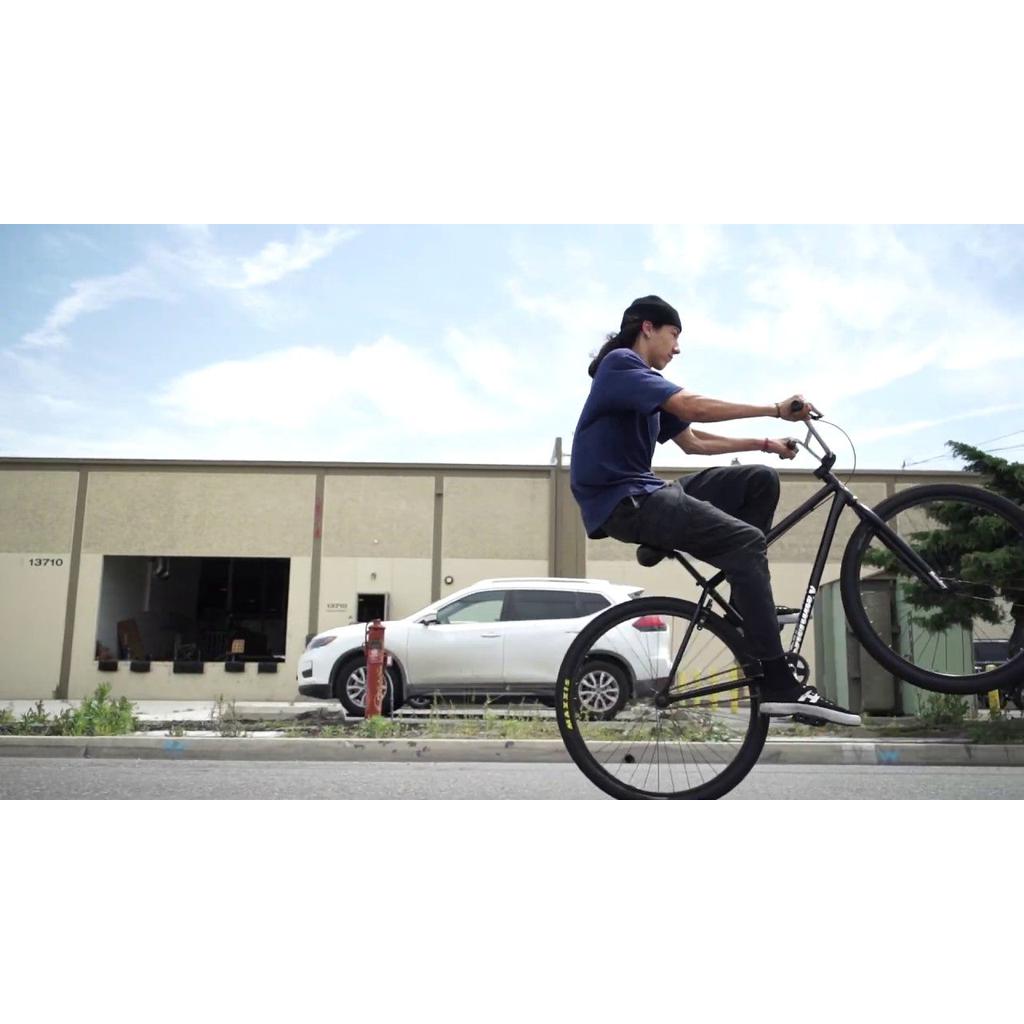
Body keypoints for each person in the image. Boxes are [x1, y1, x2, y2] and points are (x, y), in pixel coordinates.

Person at [569, 295, 861, 727]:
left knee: (759, 480)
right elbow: (691, 405)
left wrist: (764, 443)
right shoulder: (621, 367)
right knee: (746, 542)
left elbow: (693, 441)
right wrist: (775, 410)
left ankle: (742, 605)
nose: (678, 348)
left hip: (648, 491)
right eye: (674, 336)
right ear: (648, 328)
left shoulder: (640, 384)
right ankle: (779, 683)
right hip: (625, 500)